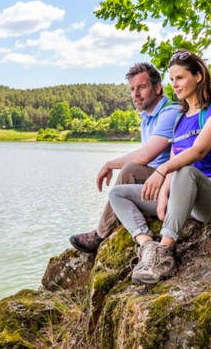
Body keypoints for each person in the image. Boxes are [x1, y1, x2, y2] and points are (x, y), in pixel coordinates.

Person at [108, 51, 211, 285]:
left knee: (185, 171)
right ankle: (148, 246)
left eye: (180, 78)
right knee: (118, 193)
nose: (174, 85)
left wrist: (161, 170)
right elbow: (176, 157)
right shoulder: (181, 119)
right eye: (172, 79)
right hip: (185, 196)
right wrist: (164, 194)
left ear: (198, 77)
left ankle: (165, 254)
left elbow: (197, 152)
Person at [69, 63, 180, 253]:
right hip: (154, 179)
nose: (136, 94)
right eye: (132, 89)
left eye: (142, 87)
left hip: (170, 181)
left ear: (158, 88)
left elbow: (145, 156)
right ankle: (104, 230)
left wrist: (110, 164)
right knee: (130, 169)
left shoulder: (169, 112)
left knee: (129, 169)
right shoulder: (147, 118)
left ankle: (101, 234)